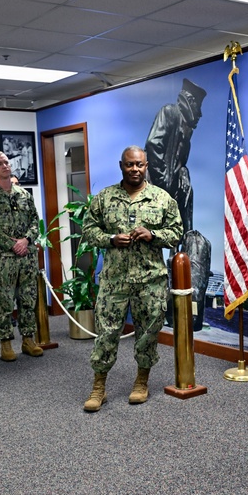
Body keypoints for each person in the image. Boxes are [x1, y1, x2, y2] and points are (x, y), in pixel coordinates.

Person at [80, 146, 183, 412]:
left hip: (150, 280)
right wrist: (111, 239)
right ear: (121, 166)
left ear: (146, 166)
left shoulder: (162, 198)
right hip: (114, 280)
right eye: (129, 164)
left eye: (139, 164)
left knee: (147, 334)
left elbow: (176, 232)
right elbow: (89, 230)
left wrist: (153, 235)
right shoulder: (105, 198)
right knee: (106, 333)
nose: (134, 169)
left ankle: (141, 381)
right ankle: (99, 387)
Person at [0, 151, 43, 361]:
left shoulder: (24, 194)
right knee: (4, 302)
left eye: (6, 162)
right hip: (3, 258)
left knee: (28, 299)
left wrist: (26, 240)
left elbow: (35, 221)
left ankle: (28, 339)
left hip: (27, 256)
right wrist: (12, 244)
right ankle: (5, 342)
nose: (5, 166)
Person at [145, 78, 206, 234]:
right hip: (156, 191)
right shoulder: (169, 112)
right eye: (198, 107)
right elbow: (153, 145)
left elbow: (180, 164)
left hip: (170, 194)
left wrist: (183, 173)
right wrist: (163, 183)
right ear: (190, 102)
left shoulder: (186, 133)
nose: (200, 114)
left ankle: (186, 241)